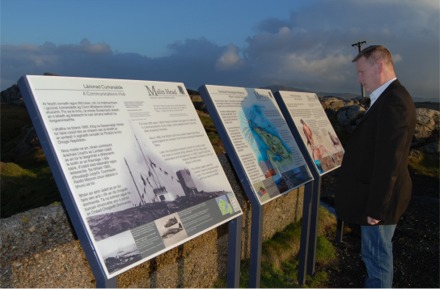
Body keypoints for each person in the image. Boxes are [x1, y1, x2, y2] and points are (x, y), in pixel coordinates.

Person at [335, 45, 416, 288]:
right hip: (377, 198)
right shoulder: (389, 98)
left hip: (380, 202)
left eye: (362, 72)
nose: (359, 79)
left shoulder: (394, 103)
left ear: (379, 66)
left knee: (377, 259)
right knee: (374, 256)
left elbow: (389, 161)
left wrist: (376, 209)